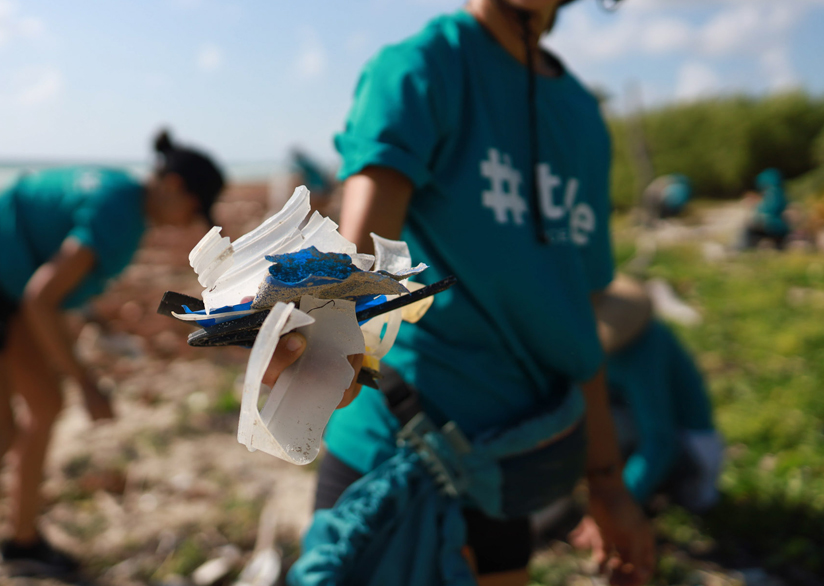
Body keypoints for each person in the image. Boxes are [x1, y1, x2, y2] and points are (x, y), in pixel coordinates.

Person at [280, 1, 655, 585]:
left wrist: (607, 484)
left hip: (510, 460)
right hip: (396, 451)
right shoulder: (421, 69)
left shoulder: (580, 115)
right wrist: (315, 338)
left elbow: (578, 323)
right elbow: (356, 266)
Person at [0, 130, 225, 586]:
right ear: (175, 185)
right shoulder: (120, 212)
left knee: (44, 406)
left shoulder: (120, 194)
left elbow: (57, 283)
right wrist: (86, 382)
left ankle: (22, 543)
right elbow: (43, 297)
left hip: (0, 279)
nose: (189, 223)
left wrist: (97, 330)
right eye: (195, 210)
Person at [568, 276, 722, 555]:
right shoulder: (606, 350)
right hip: (640, 433)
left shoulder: (641, 351)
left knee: (593, 424)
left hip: (688, 449)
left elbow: (660, 440)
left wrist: (614, 504)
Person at [739, 168, 790, 250]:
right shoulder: (779, 192)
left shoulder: (772, 193)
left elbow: (769, 211)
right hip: (778, 225)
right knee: (751, 226)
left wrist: (755, 206)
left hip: (774, 225)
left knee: (748, 226)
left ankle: (744, 247)